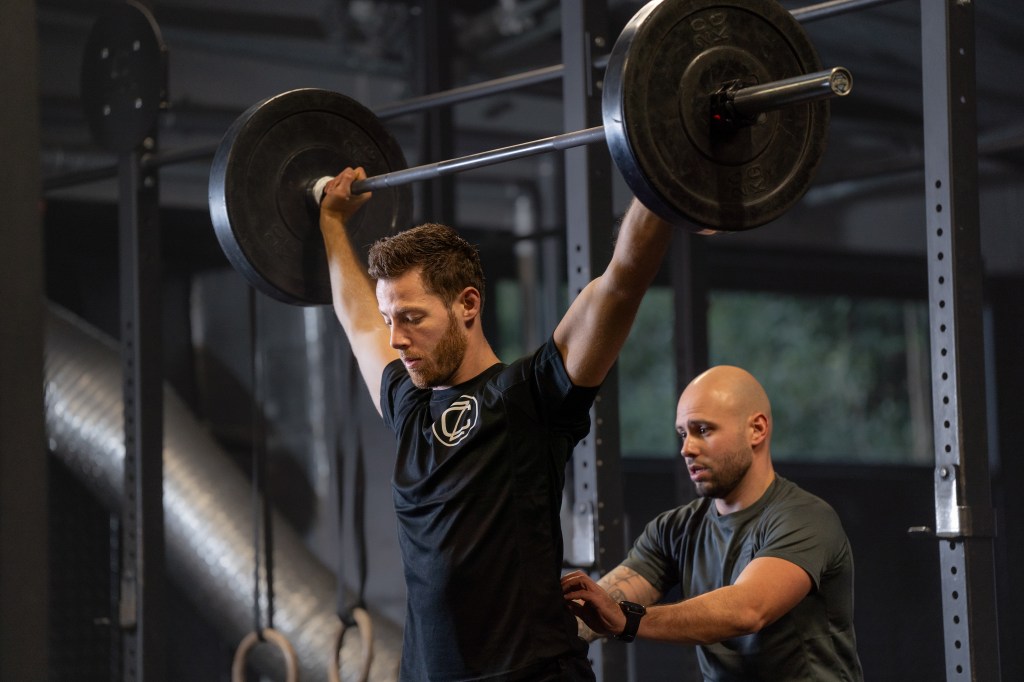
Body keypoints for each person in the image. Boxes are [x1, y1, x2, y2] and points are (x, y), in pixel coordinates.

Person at [319, 166, 672, 681]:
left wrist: (663, 178)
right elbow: (356, 317)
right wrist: (331, 222)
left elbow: (621, 281)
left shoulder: (530, 396)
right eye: (390, 318)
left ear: (468, 303)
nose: (396, 338)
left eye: (413, 317)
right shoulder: (409, 409)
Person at [561, 365, 864, 681]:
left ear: (757, 430)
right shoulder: (675, 529)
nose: (686, 448)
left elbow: (748, 609)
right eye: (683, 433)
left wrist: (629, 620)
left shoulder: (805, 518)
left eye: (703, 430)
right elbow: (598, 607)